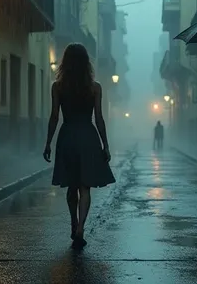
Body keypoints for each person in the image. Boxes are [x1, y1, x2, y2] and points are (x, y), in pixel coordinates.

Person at [43, 43, 116, 249]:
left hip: (67, 137)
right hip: (88, 137)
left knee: (72, 184)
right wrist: (106, 145)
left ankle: (73, 222)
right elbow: (99, 118)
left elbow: (54, 117)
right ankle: (81, 227)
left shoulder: (57, 87)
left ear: (65, 62)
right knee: (85, 187)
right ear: (86, 63)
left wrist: (48, 142)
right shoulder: (95, 87)